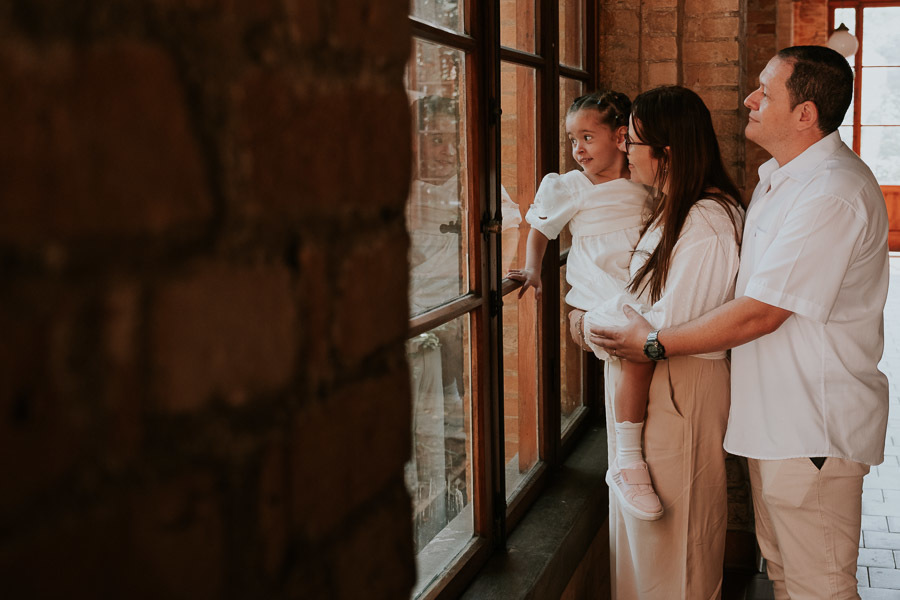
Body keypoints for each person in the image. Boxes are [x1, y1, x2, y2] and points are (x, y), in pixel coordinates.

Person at [590, 46, 889, 600]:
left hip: (811, 429)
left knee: (818, 588)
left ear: (805, 114)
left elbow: (763, 310)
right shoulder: (781, 180)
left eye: (765, 91)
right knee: (786, 578)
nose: (749, 99)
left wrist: (652, 342)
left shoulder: (833, 192)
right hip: (777, 427)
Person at [571, 85, 743, 598]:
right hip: (657, 388)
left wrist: (583, 324)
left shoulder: (707, 222)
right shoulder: (674, 208)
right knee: (647, 551)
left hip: (676, 390)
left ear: (665, 152)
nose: (624, 149)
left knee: (673, 553)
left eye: (635, 141)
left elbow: (652, 330)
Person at [506, 91, 663, 519]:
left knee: (658, 335)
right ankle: (628, 459)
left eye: (588, 137)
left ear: (620, 136)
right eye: (572, 139)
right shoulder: (570, 186)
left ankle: (643, 443)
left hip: (638, 277)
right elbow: (541, 228)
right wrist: (533, 269)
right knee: (636, 347)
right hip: (598, 284)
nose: (578, 149)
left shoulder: (642, 179)